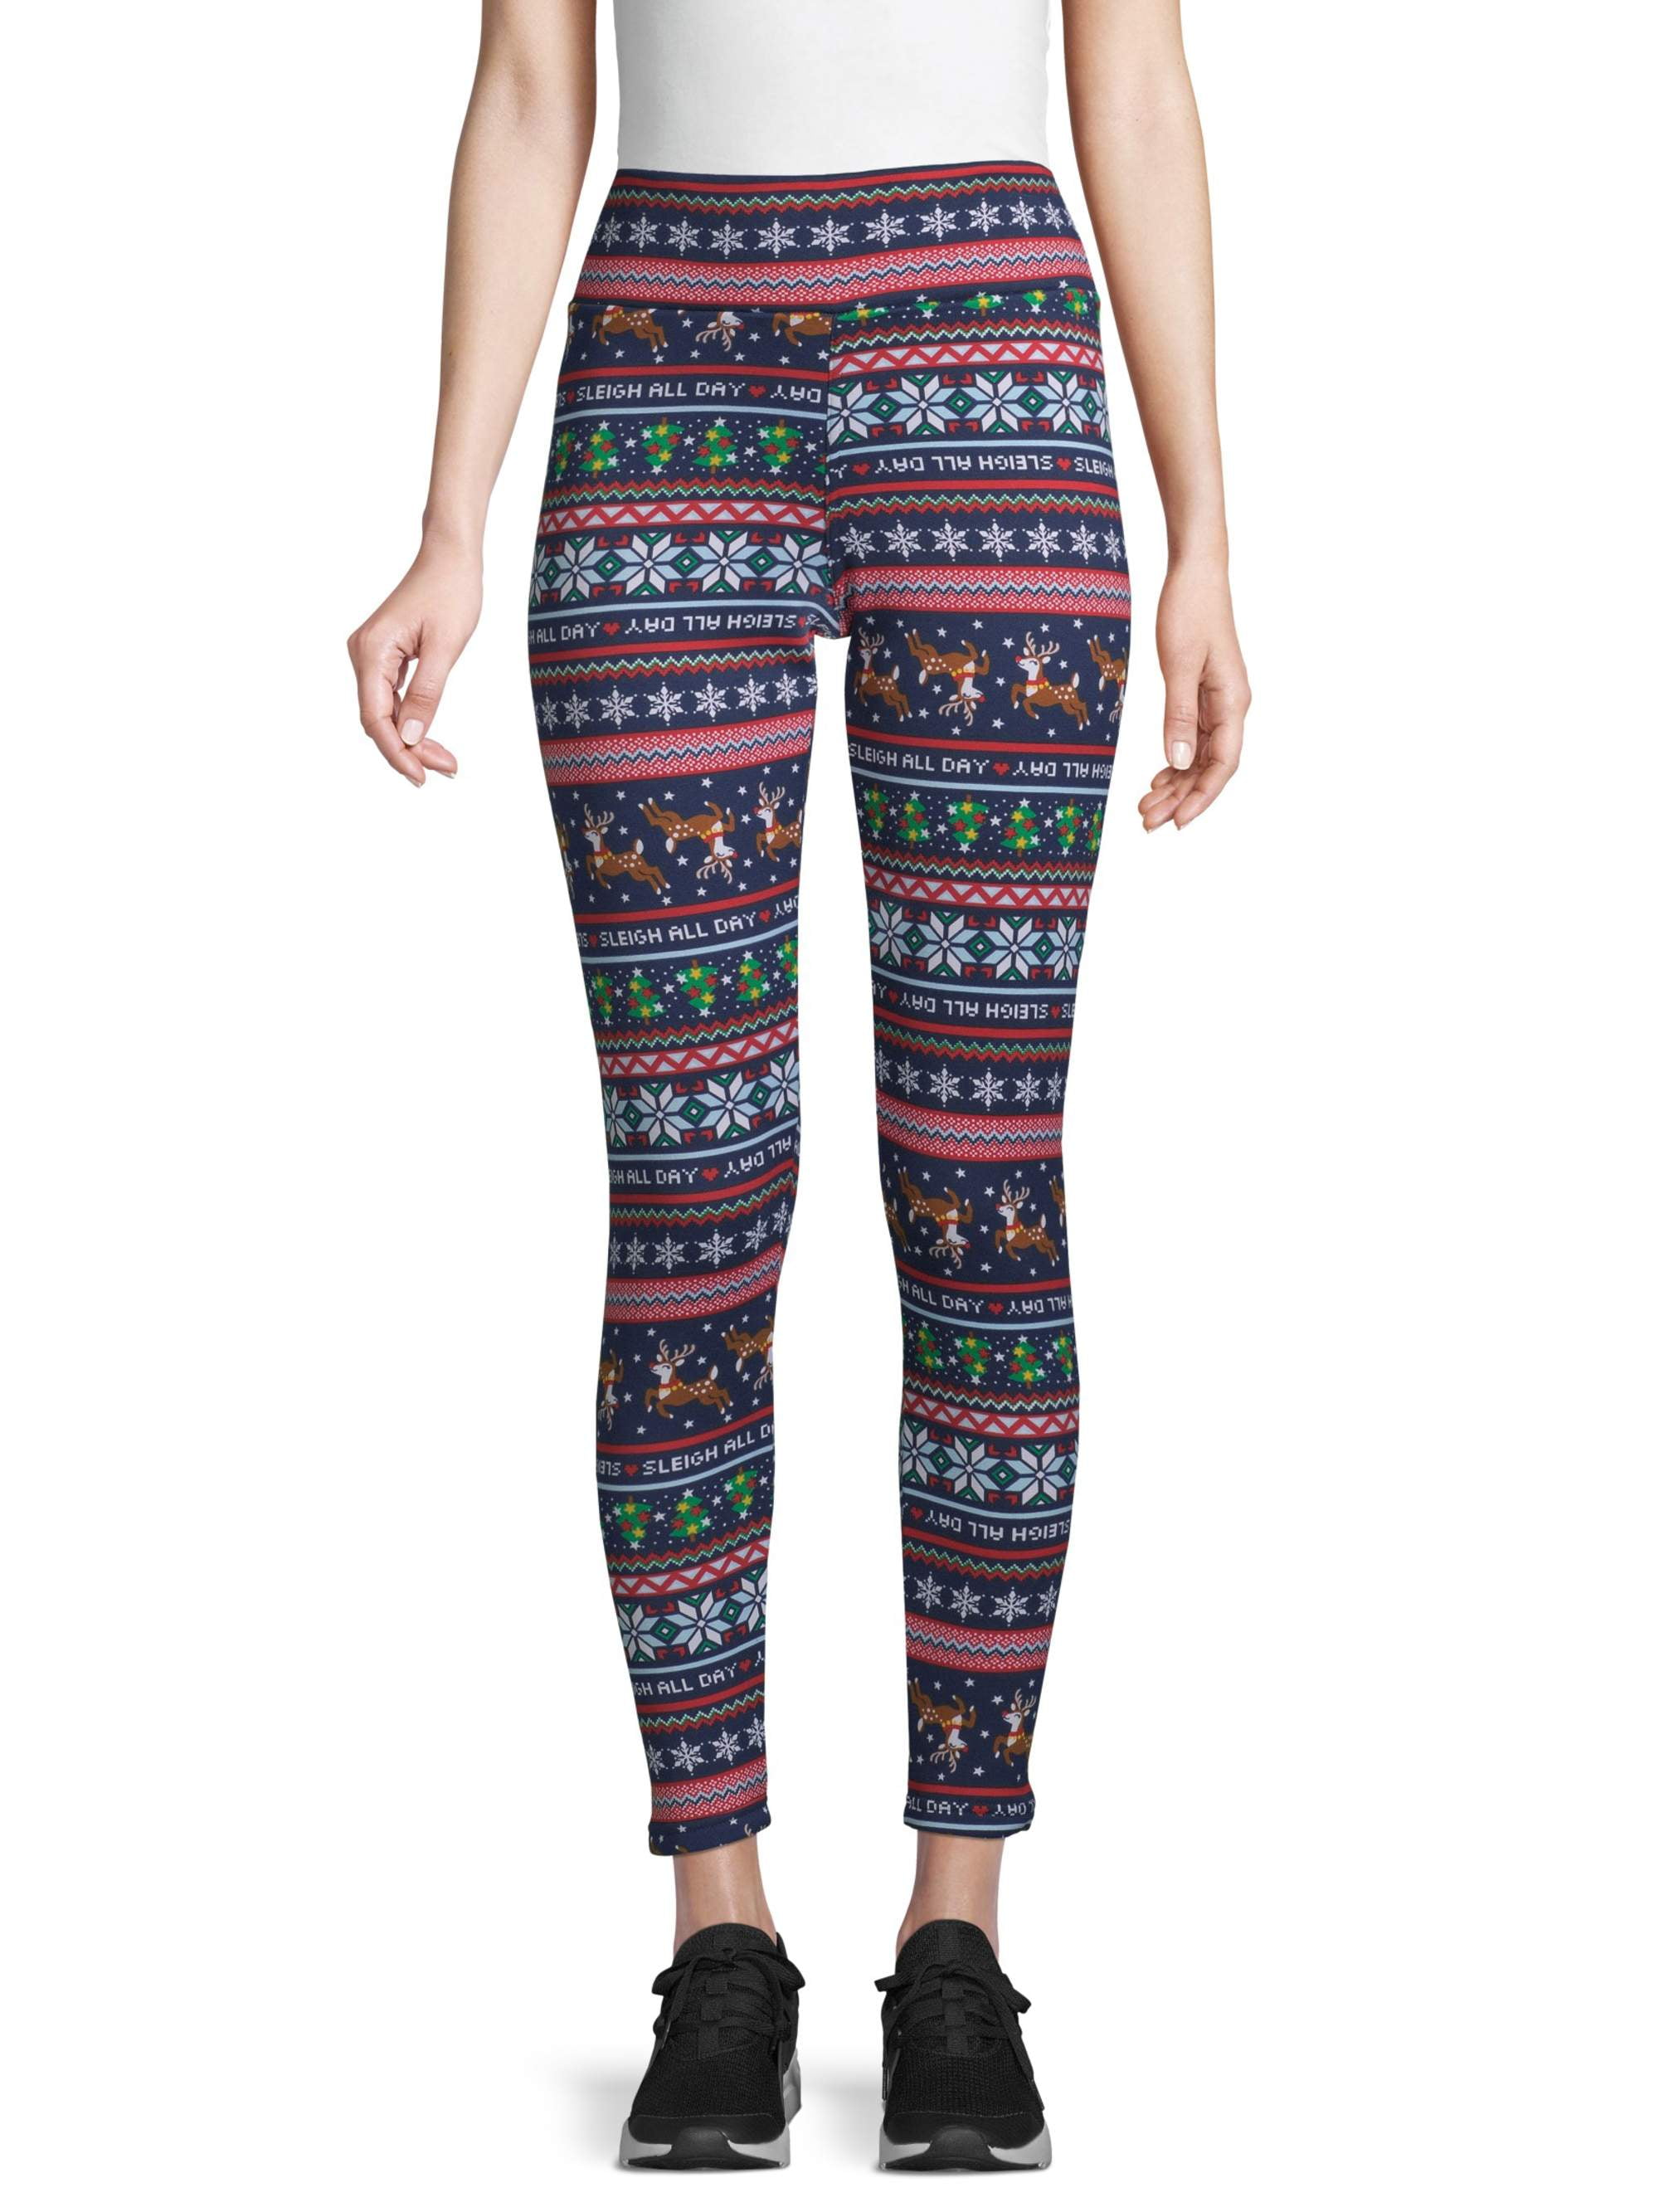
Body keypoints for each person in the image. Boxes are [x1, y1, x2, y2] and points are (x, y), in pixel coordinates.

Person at [348, 0, 1249, 2173]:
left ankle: (958, 1932)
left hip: (994, 381)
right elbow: (535, 83)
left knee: (982, 1193)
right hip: (665, 376)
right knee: (691, 1202)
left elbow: (1133, 79)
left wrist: (1209, 523)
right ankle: (720, 1929)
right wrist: (449, 512)